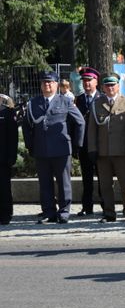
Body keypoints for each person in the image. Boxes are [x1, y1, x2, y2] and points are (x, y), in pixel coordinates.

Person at [22, 71, 85, 224]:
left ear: (56, 84)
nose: (47, 85)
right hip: (41, 150)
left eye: (50, 82)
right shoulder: (33, 103)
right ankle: (48, 212)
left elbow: (80, 122)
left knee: (64, 183)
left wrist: (76, 144)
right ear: (41, 85)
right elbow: (26, 126)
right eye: (44, 82)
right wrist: (31, 146)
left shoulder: (65, 101)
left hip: (61, 149)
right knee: (45, 183)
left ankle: (64, 212)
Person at [87, 72, 125, 223]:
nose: (110, 88)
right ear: (103, 87)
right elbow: (92, 129)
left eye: (113, 85)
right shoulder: (97, 104)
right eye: (107, 85)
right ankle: (109, 213)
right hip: (103, 152)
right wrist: (92, 149)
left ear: (118, 86)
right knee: (105, 184)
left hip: (122, 152)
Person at [74, 67, 102, 216]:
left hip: (100, 144)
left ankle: (105, 206)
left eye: (89, 80)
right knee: (86, 178)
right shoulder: (78, 99)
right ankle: (87, 206)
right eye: (84, 81)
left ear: (96, 82)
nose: (86, 83)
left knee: (103, 177)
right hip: (84, 145)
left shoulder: (102, 98)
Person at [0, 94, 18, 225]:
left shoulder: (6, 112)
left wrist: (12, 156)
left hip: (2, 158)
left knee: (4, 188)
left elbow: (13, 136)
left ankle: (5, 214)